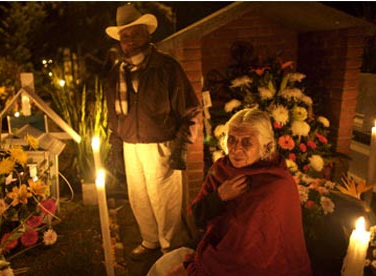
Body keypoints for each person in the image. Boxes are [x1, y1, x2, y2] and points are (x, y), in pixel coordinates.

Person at [147, 108, 312, 276]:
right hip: (215, 248)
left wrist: (196, 267)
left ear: (266, 146)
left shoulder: (278, 184)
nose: (235, 149)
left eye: (247, 142)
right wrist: (218, 197)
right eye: (231, 140)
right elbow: (197, 217)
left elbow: (254, 250)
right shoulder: (221, 168)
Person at [104, 3, 201, 259]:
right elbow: (113, 117)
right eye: (125, 36)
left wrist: (181, 147)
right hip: (130, 145)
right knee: (139, 198)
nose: (130, 40)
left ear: (148, 34)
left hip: (162, 144)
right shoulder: (116, 74)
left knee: (166, 202)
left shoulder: (167, 68)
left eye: (135, 33)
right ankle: (150, 240)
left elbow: (190, 110)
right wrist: (115, 147)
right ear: (120, 41)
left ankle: (171, 248)